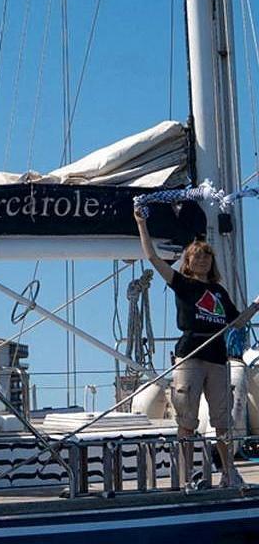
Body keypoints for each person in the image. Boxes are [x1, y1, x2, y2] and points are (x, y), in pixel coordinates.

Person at [135, 209, 258, 488]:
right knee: (187, 420)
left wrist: (255, 305)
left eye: (206, 256)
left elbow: (236, 321)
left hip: (216, 357)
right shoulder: (183, 284)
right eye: (197, 256)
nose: (202, 259)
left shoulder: (218, 292)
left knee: (222, 421)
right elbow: (153, 258)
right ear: (188, 261)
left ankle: (228, 473)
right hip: (190, 354)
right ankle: (186, 476)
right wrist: (142, 224)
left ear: (211, 261)